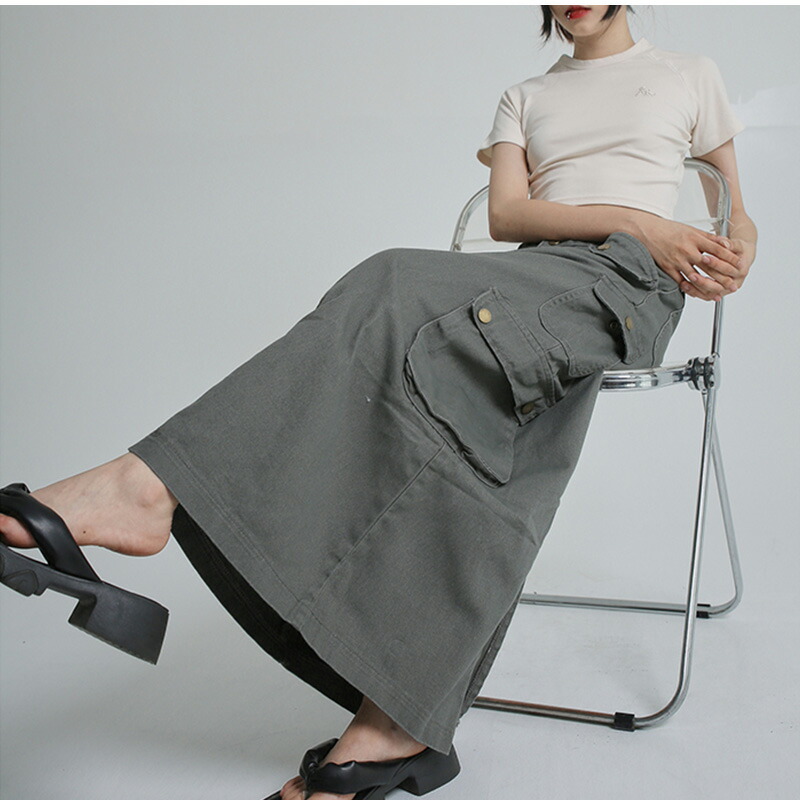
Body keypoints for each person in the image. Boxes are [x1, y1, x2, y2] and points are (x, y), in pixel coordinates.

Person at [0, 6, 757, 800]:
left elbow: (736, 213)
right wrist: (637, 217)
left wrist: (732, 247)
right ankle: (396, 719)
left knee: (391, 279)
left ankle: (149, 488)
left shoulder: (687, 75)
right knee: (470, 420)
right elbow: (506, 215)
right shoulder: (526, 96)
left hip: (622, 285)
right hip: (532, 278)